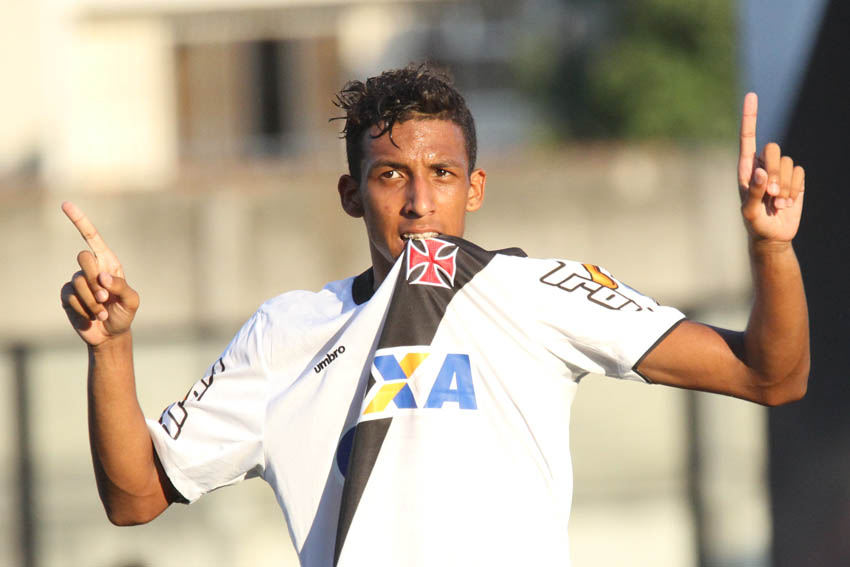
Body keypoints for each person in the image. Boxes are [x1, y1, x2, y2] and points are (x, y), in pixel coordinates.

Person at [60, 64, 808, 566]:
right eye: (391, 175)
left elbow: (771, 376)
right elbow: (134, 496)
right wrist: (109, 347)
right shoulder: (288, 331)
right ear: (351, 194)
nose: (420, 202)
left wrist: (771, 248)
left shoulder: (533, 290)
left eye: (441, 173)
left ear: (473, 188)